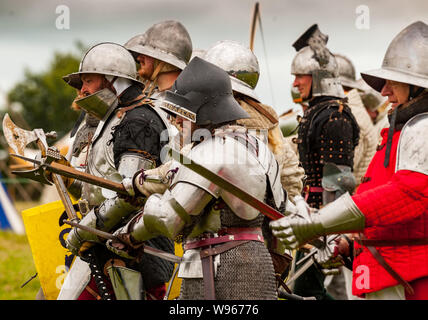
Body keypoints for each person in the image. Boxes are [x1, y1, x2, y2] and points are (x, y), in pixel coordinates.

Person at [270, 21, 428, 300]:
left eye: (394, 81)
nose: (384, 91)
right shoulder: (402, 128)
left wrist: (321, 221)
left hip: (410, 274)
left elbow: (405, 195)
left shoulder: (420, 127)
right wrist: (346, 243)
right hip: (379, 258)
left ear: (418, 84)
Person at [107, 57, 285, 300]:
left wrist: (130, 233)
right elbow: (282, 214)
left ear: (201, 111)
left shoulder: (210, 151)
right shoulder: (257, 146)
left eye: (182, 113)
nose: (177, 121)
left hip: (217, 267)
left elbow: (169, 219)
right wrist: (135, 183)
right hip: (256, 263)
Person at [58, 42, 176, 300]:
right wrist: (66, 178)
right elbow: (104, 189)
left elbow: (130, 196)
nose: (83, 90)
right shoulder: (115, 118)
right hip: (106, 244)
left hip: (134, 253)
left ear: (113, 80)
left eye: (88, 80)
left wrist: (83, 230)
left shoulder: (138, 121)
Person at [288, 24, 360, 300]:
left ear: (318, 77)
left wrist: (330, 232)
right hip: (310, 215)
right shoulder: (318, 113)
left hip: (322, 219)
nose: (295, 83)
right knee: (305, 290)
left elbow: (338, 181)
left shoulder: (334, 117)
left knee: (306, 291)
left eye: (300, 76)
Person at [124, 20, 193, 97]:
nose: (139, 58)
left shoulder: (181, 101)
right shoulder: (153, 96)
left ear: (164, 60)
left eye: (147, 53)